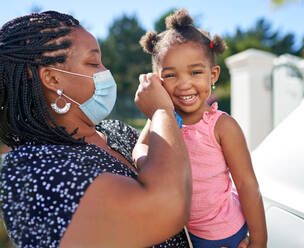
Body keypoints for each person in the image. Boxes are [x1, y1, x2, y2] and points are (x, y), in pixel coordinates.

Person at [0, 10, 193, 248]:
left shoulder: (116, 131)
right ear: (52, 79)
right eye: (93, 62)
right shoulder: (31, 168)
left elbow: (181, 179)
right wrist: (161, 112)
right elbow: (169, 206)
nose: (105, 72)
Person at [133, 9, 268, 248]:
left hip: (221, 234)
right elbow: (140, 147)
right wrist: (147, 163)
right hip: (182, 231)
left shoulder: (222, 126)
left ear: (212, 74)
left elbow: (247, 185)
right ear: (157, 79)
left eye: (195, 72)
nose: (185, 84)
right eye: (171, 75)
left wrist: (259, 242)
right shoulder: (161, 117)